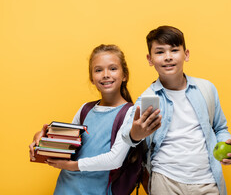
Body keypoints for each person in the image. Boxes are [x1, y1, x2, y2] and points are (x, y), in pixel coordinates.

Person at [120, 25, 231, 195]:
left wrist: (229, 143)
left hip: (206, 180)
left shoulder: (206, 89)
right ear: (150, 59)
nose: (168, 57)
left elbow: (220, 128)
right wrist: (136, 133)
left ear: (186, 54)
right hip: (166, 180)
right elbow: (126, 135)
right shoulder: (148, 98)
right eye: (160, 52)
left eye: (174, 50)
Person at [29, 44, 161, 195]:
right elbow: (65, 146)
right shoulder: (85, 109)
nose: (105, 74)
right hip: (65, 188)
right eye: (98, 70)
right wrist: (40, 140)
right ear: (92, 78)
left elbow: (114, 160)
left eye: (113, 68)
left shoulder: (130, 112)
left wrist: (71, 166)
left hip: (99, 190)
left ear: (124, 75)